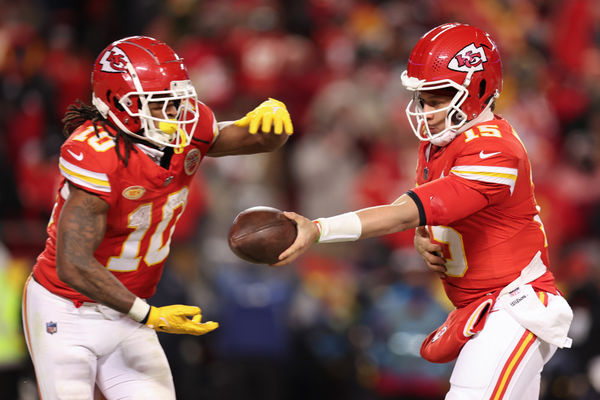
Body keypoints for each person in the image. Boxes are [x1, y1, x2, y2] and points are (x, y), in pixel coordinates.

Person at [275, 23, 573, 399]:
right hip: (481, 308)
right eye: (422, 98)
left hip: (515, 307)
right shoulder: (441, 144)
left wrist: (319, 228)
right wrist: (425, 236)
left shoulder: (496, 149)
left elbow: (404, 212)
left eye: (439, 97)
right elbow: (435, 214)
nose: (427, 110)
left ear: (479, 90)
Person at [21, 35, 293, 400]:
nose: (176, 113)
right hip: (67, 308)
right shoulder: (97, 155)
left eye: (178, 100)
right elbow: (73, 264)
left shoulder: (185, 129)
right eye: (162, 104)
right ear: (119, 104)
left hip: (130, 311)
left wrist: (273, 125)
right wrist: (148, 315)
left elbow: (255, 141)